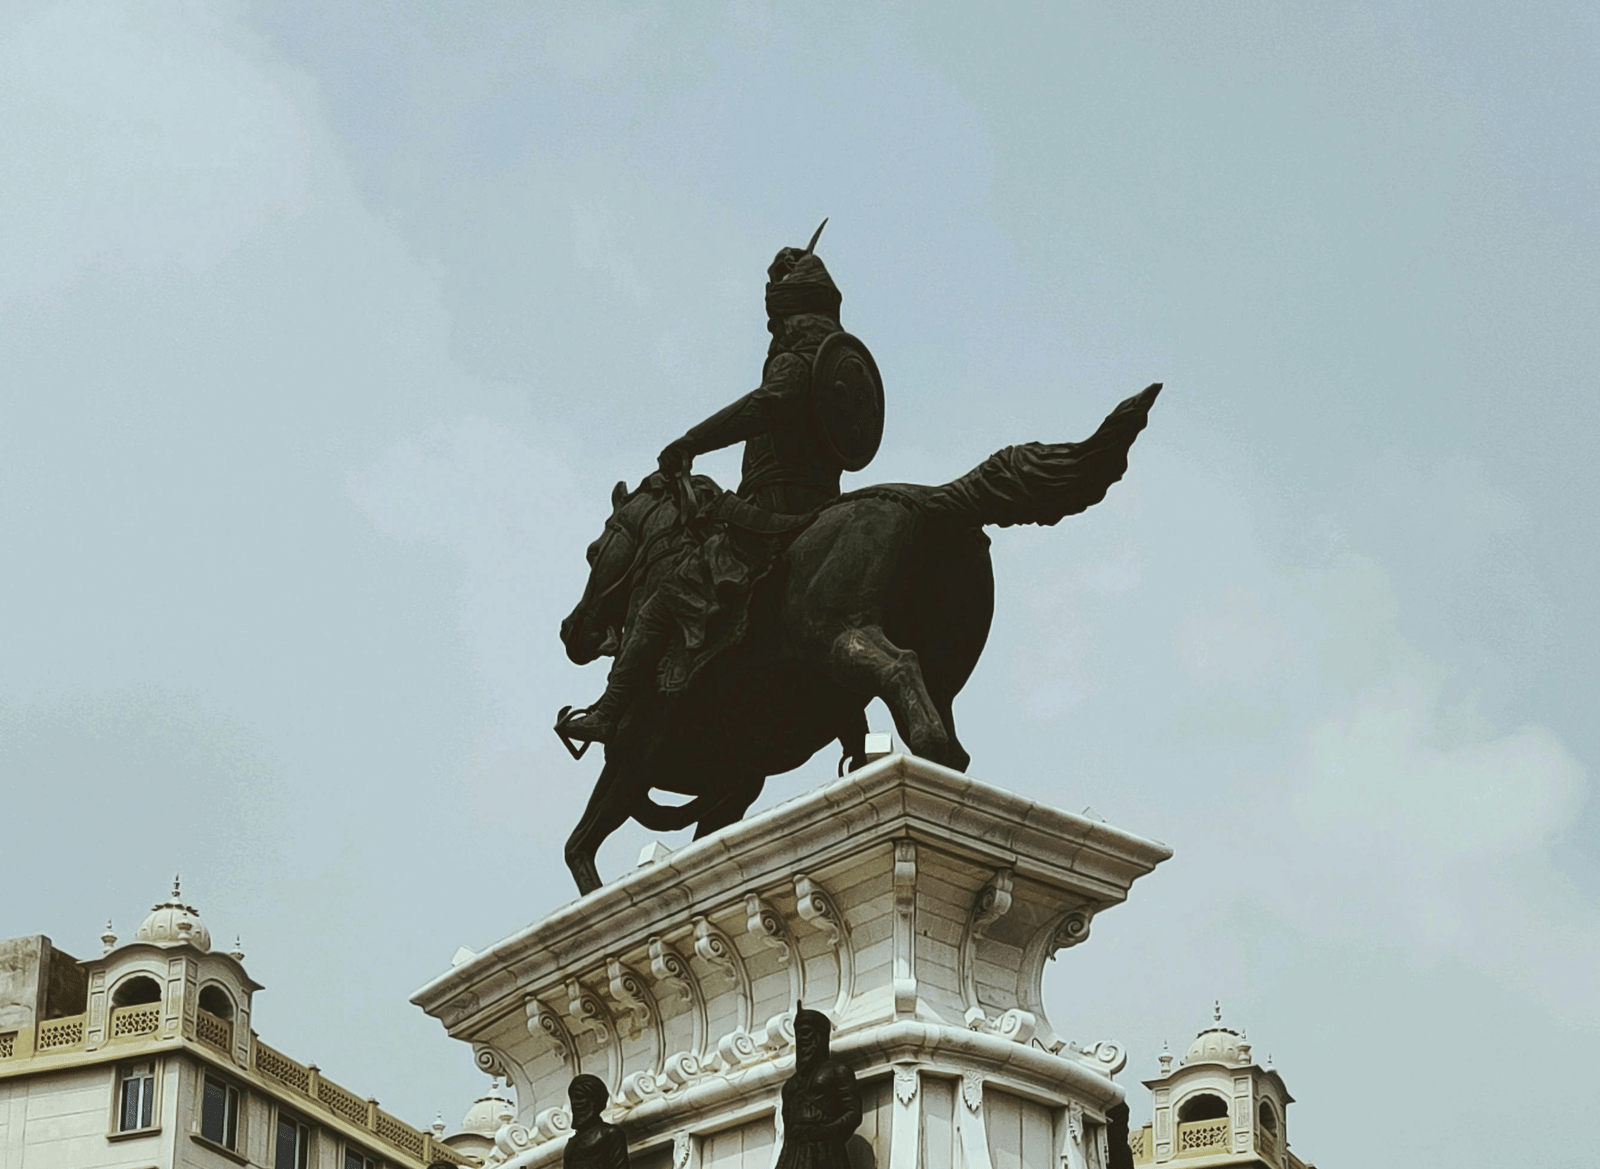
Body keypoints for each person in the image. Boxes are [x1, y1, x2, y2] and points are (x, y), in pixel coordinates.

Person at [558, 223, 867, 748]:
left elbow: (764, 405)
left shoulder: (795, 361)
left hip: (776, 510)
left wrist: (691, 441)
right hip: (823, 503)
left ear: (787, 311)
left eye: (777, 314)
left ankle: (609, 713)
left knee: (664, 600)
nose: (774, 326)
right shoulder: (838, 363)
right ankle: (852, 728)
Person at [775, 1003, 861, 1169]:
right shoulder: (790, 1086)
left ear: (820, 1037)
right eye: (798, 1034)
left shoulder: (838, 1071)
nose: (801, 1039)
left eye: (806, 1033)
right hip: (796, 1154)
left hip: (826, 1151)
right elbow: (788, 1134)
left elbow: (853, 1113)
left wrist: (827, 1131)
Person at [562, 1074, 630, 1169]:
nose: (574, 1103)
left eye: (579, 1097)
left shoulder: (610, 1134)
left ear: (594, 1100)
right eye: (572, 1098)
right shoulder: (571, 1145)